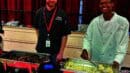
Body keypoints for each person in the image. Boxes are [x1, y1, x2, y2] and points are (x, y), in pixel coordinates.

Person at [81, 0, 129, 72]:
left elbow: (123, 44)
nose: (104, 5)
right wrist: (85, 49)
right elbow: (87, 38)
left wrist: (117, 60)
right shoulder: (95, 21)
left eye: (107, 2)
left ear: (112, 4)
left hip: (113, 62)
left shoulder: (122, 22)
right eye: (101, 3)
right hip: (95, 62)